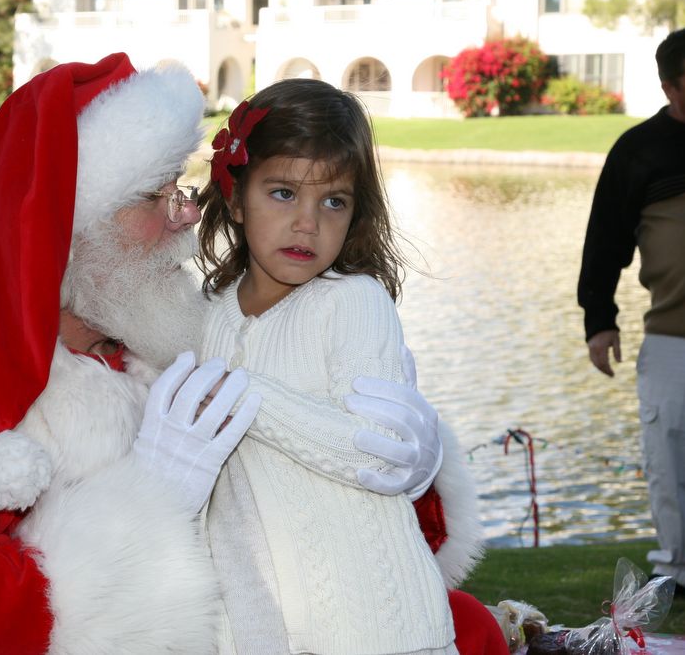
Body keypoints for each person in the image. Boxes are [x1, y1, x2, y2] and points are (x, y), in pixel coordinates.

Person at [0, 53, 455, 654]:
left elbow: (319, 508)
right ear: (62, 227)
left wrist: (415, 465)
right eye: (154, 197)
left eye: (180, 189)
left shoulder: (169, 334)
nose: (187, 216)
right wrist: (149, 497)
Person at [197, 80, 504, 655]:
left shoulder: (354, 301)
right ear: (236, 199)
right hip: (257, 626)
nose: (308, 222)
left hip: (378, 623)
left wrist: (238, 394)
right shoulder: (207, 316)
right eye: (283, 192)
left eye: (333, 201)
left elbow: (376, 446)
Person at [578, 25, 685, 596]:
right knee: (673, 467)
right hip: (677, 341)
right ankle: (681, 573)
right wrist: (599, 320)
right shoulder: (639, 150)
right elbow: (605, 239)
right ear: (671, 88)